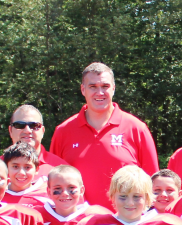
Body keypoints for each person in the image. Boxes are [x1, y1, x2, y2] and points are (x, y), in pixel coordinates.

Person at [50, 63, 159, 210]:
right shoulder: (63, 131)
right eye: (93, 87)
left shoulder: (137, 129)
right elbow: (53, 183)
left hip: (124, 224)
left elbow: (152, 184)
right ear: (83, 89)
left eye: (105, 86)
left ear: (113, 88)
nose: (99, 92)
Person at [6, 104, 66, 179]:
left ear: (43, 131)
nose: (27, 130)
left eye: (34, 125)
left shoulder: (62, 169)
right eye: (20, 125)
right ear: (10, 131)